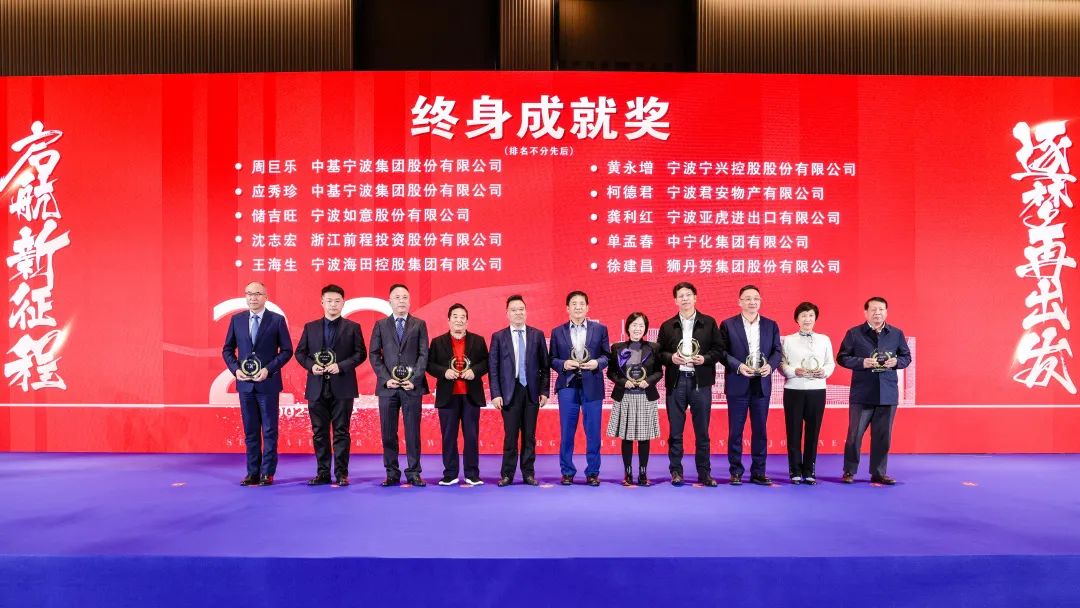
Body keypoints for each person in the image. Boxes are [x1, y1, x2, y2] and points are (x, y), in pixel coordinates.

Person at [294, 284, 367, 486]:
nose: (333, 304)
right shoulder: (310, 327)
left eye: (337, 301)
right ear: (322, 303)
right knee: (319, 432)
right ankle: (323, 473)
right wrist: (312, 366)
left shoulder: (352, 327)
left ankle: (342, 474)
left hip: (343, 386)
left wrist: (341, 366)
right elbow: (300, 353)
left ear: (343, 303)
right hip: (316, 386)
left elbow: (360, 354)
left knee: (342, 431)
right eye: (329, 301)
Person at [222, 281, 293, 486]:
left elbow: (287, 351)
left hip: (268, 383)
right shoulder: (237, 320)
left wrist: (268, 369)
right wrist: (236, 370)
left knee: (269, 430)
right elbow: (227, 349)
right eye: (249, 293)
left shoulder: (277, 320)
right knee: (250, 430)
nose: (253, 297)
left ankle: (267, 473)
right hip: (245, 385)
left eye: (258, 294)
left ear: (266, 297)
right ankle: (252, 472)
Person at [836, 296, 912, 485]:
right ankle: (849, 471)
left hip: (887, 393)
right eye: (873, 309)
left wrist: (896, 362)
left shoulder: (896, 334)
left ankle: (878, 472)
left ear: (886, 312)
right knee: (854, 435)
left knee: (883, 437)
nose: (877, 313)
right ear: (866, 313)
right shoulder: (854, 333)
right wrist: (862, 362)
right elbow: (842, 357)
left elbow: (906, 357)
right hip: (862, 393)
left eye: (881, 309)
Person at [656, 281, 725, 487]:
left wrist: (705, 359)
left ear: (695, 298)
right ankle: (676, 472)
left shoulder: (709, 322)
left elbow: (719, 350)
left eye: (688, 295)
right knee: (675, 431)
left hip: (700, 383)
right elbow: (659, 353)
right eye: (681, 296)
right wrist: (671, 358)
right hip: (676, 383)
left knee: (702, 431)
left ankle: (704, 473)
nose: (685, 298)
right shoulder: (667, 325)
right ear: (675, 300)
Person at [720, 285, 782, 486]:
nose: (752, 302)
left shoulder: (771, 325)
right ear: (739, 302)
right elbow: (722, 352)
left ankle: (758, 472)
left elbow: (777, 351)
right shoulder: (728, 324)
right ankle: (735, 471)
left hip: (761, 384)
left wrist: (770, 366)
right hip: (738, 383)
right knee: (735, 431)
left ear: (760, 301)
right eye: (747, 298)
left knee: (760, 431)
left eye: (755, 298)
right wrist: (738, 366)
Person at [369, 284, 430, 487]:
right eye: (397, 297)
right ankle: (391, 473)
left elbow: (424, 354)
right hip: (388, 387)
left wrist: (414, 380)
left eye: (405, 297)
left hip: (412, 387)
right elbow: (374, 354)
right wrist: (386, 378)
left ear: (410, 301)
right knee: (388, 432)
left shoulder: (419, 324)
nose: (401, 300)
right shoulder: (380, 325)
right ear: (390, 301)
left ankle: (414, 472)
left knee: (412, 432)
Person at [549, 290, 611, 487]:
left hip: (592, 384)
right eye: (574, 304)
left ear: (587, 307)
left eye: (581, 303)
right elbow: (551, 359)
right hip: (568, 385)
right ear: (567, 308)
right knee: (567, 431)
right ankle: (567, 471)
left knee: (593, 432)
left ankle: (592, 472)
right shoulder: (557, 332)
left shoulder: (600, 329)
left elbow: (607, 356)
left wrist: (597, 363)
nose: (578, 307)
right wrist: (563, 364)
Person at [489, 295, 550, 486]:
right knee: (511, 436)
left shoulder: (537, 335)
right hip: (509, 392)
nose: (518, 313)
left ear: (526, 311)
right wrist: (496, 394)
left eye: (521, 309)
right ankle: (507, 474)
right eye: (514, 310)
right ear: (507, 313)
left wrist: (544, 391)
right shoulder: (499, 337)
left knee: (529, 436)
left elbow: (545, 367)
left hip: (531, 392)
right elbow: (493, 368)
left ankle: (528, 473)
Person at [426, 303, 489, 486]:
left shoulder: (478, 341)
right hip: (448, 396)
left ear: (467, 321)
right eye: (455, 316)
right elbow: (429, 364)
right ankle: (450, 474)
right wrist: (444, 372)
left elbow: (487, 362)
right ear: (448, 320)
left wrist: (474, 371)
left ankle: (472, 474)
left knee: (471, 436)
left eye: (462, 317)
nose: (459, 320)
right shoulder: (438, 342)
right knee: (448, 436)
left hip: (471, 395)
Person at [778, 301, 835, 485]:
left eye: (811, 315)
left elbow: (830, 363)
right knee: (793, 432)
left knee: (813, 432)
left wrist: (824, 372)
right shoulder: (788, 340)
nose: (807, 319)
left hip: (817, 390)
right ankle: (795, 471)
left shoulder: (824, 339)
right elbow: (781, 364)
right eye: (803, 315)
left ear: (815, 318)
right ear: (797, 319)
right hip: (793, 390)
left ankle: (809, 471)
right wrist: (794, 371)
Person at [606, 312, 662, 486]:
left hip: (646, 396)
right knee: (627, 437)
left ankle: (643, 473)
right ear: (628, 327)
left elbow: (659, 372)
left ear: (645, 329)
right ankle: (628, 473)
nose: (637, 329)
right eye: (634, 325)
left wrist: (648, 381)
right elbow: (611, 373)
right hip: (625, 396)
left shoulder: (653, 347)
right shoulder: (617, 347)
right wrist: (624, 382)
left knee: (644, 438)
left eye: (641, 325)